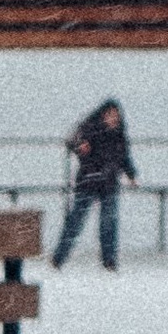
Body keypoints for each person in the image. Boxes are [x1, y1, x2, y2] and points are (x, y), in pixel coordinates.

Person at [53, 99, 135, 269]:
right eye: (110, 115)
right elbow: (73, 141)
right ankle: (59, 257)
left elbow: (124, 156)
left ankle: (109, 260)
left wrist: (131, 174)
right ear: (103, 114)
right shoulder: (90, 128)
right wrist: (79, 146)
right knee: (75, 222)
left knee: (108, 224)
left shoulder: (119, 135)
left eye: (116, 116)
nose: (113, 119)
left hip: (109, 182)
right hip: (88, 181)